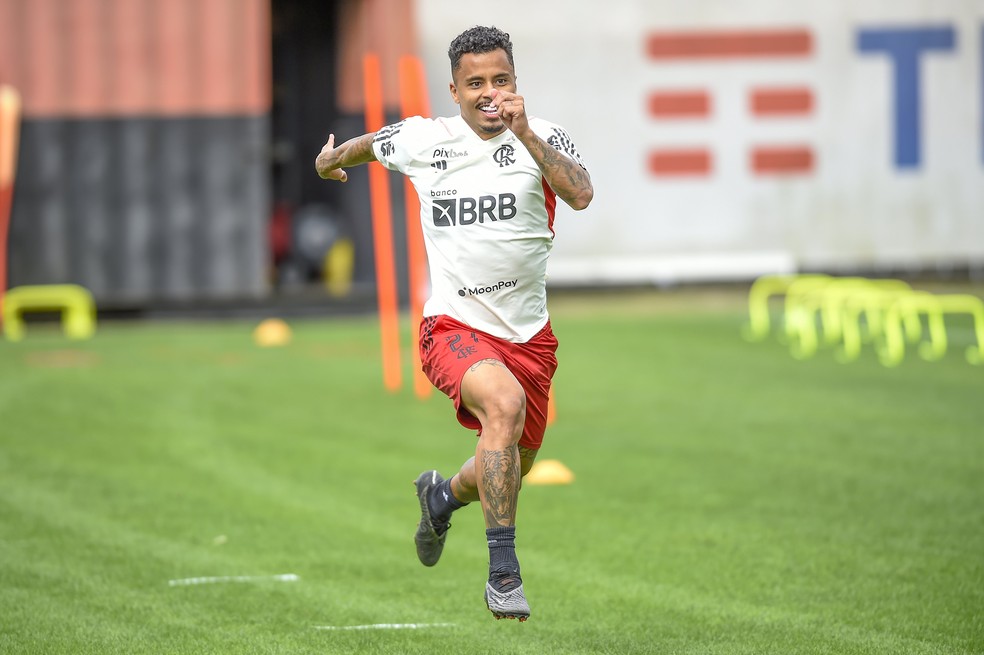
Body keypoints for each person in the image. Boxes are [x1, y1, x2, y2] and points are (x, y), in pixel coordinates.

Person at [315, 25, 593, 621]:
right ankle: (503, 574)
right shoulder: (424, 140)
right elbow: (373, 143)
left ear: (516, 84)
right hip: (452, 328)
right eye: (476, 83)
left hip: (529, 338)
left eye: (501, 80)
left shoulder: (543, 135)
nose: (489, 93)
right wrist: (332, 160)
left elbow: (581, 194)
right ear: (454, 90)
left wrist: (524, 135)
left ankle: (441, 498)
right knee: (502, 403)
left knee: (511, 468)